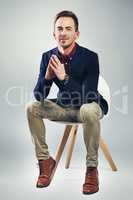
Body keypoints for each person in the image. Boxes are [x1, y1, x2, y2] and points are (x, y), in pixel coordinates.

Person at [26, 10, 108, 194]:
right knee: (32, 107)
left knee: (88, 110)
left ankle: (91, 170)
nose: (63, 33)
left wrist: (64, 78)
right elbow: (39, 96)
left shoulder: (90, 57)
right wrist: (47, 78)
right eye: (59, 29)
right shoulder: (48, 57)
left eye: (68, 29)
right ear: (54, 34)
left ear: (76, 34)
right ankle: (45, 161)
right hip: (64, 107)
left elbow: (88, 96)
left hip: (88, 107)